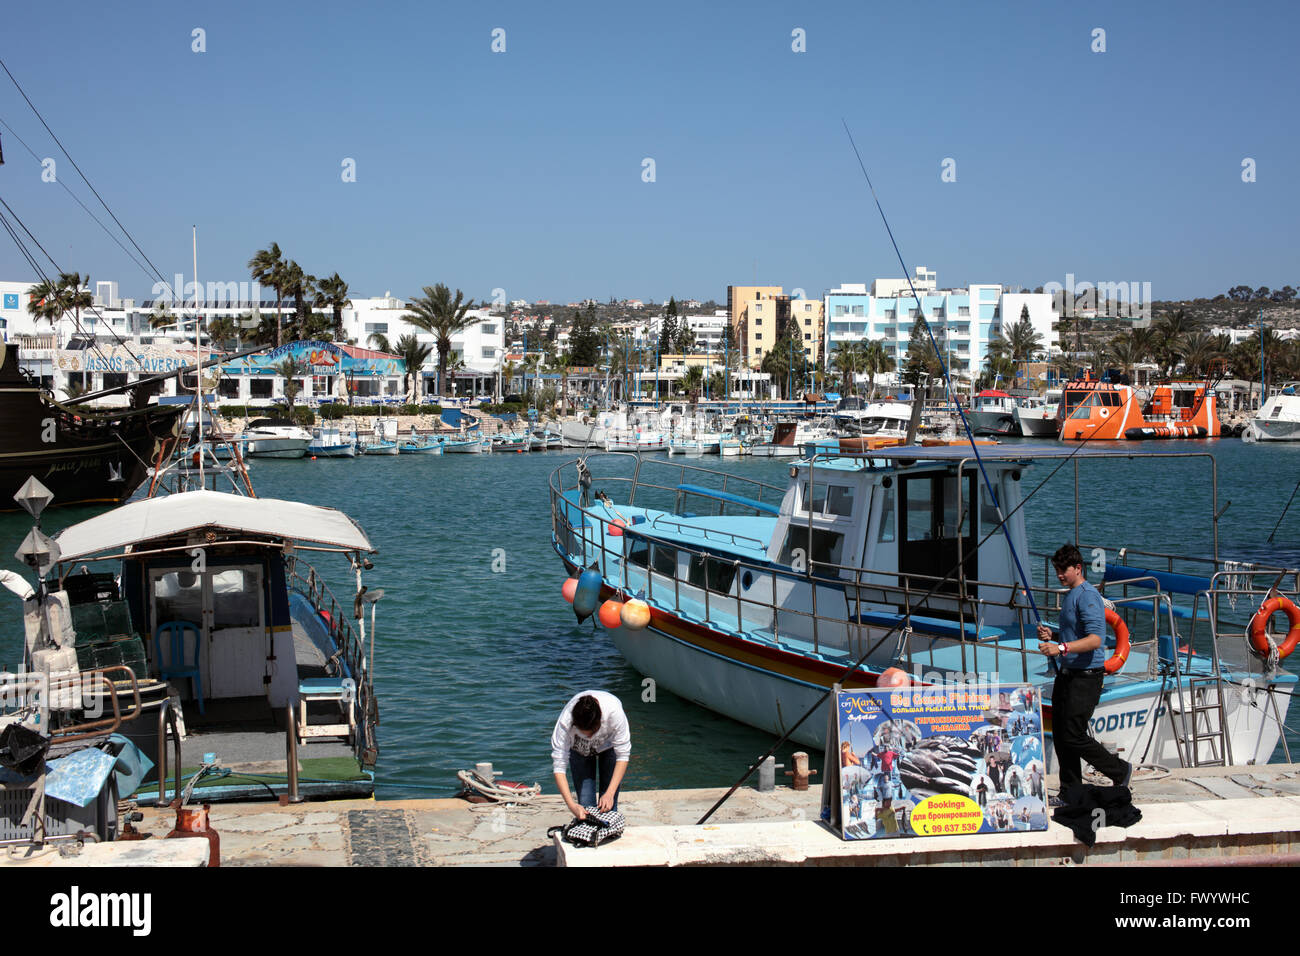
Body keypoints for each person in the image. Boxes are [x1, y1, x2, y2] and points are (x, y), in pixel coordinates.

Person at [1037, 544, 1133, 793]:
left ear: (1078, 568)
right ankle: (1070, 792)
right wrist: (1054, 635)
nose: (1059, 575)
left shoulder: (1088, 595)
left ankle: (1119, 770)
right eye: (1057, 570)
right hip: (1067, 675)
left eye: (1063, 570)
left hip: (1086, 676)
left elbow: (1095, 639)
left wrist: (1061, 649)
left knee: (1073, 734)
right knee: (1060, 734)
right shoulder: (1071, 595)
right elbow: (1074, 633)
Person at [550, 690, 632, 820]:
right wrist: (572, 806)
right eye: (584, 733)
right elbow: (559, 766)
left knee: (608, 808)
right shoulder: (565, 721)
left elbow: (623, 755)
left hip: (609, 747)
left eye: (593, 732)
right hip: (579, 750)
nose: (589, 737)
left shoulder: (614, 713)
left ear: (601, 721)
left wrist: (610, 794)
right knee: (586, 808)